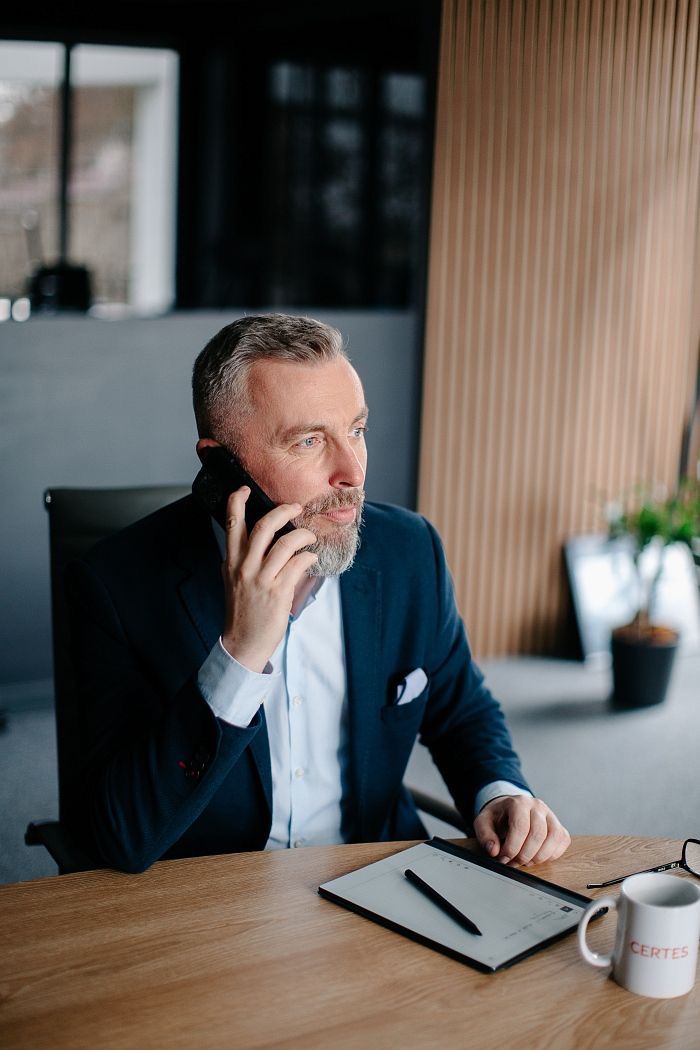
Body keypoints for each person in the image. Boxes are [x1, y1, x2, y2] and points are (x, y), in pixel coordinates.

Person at [65, 314, 570, 873]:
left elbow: (461, 711)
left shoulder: (409, 552)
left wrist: (498, 792)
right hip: (214, 906)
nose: (352, 471)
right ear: (220, 463)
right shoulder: (115, 585)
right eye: (309, 441)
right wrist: (238, 657)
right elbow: (119, 836)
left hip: (375, 879)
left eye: (356, 429)